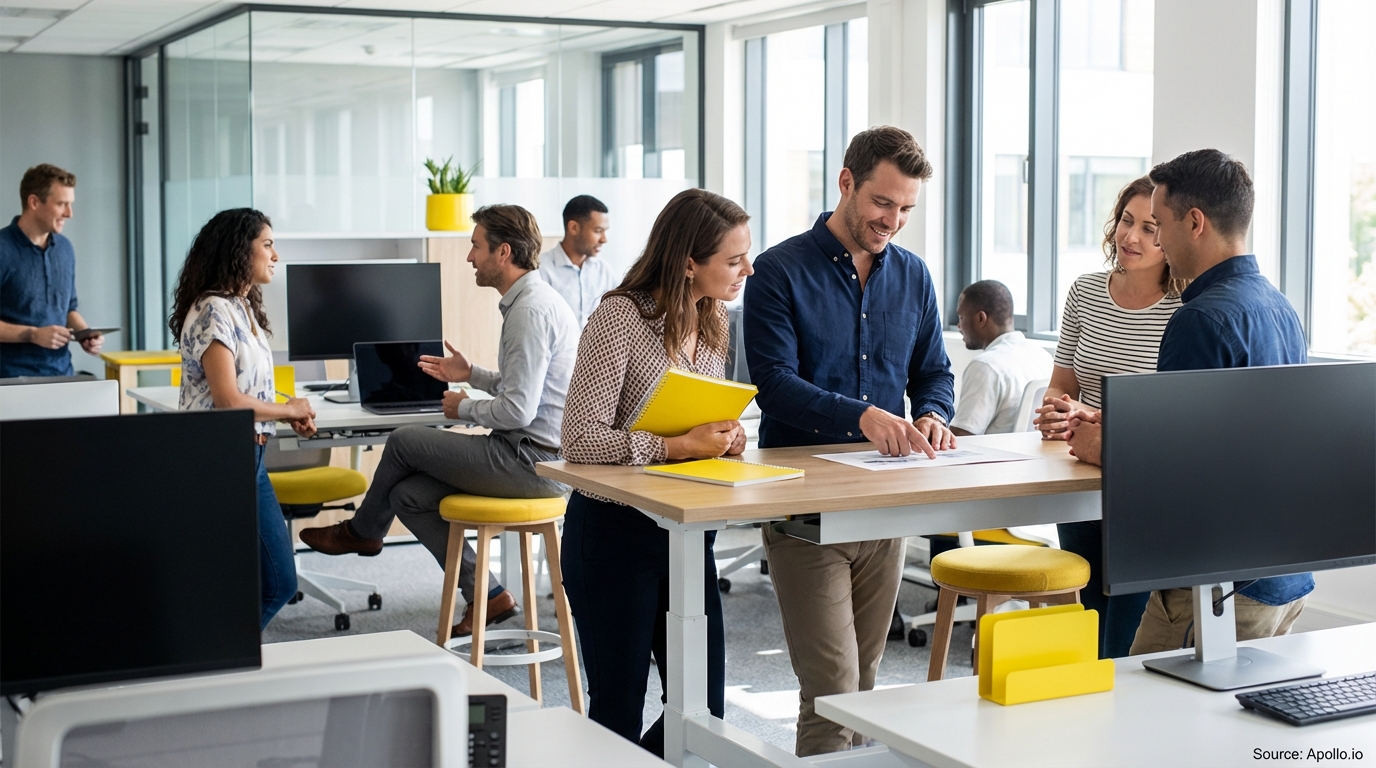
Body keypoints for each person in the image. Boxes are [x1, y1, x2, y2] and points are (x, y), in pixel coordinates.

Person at [743, 126, 955, 757]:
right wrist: (864, 415)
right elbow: (775, 386)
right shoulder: (778, 271)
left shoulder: (913, 275)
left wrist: (935, 414)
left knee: (864, 687)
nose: (893, 220)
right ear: (846, 183)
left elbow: (933, 373)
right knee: (832, 690)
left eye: (906, 209)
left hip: (885, 506)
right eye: (882, 203)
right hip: (805, 507)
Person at [1063, 149, 1313, 654]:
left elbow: (1170, 464)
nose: (1155, 240)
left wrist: (1095, 445)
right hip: (1281, 577)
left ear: (1194, 223)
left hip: (1219, 586)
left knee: (1137, 720)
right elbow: (1236, 437)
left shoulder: (1200, 319)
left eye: (1160, 224)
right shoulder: (1279, 306)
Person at [301, 204, 577, 639]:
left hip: (532, 464)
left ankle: (363, 531)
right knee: (408, 496)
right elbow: (527, 388)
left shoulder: (529, 312)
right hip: (530, 455)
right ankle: (488, 595)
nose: (469, 257)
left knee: (407, 440)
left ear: (503, 253)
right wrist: (473, 375)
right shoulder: (532, 302)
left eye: (475, 246)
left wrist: (462, 408)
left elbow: (518, 411)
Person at [561, 188, 751, 757]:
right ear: (689, 262)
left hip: (687, 536)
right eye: (734, 260)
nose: (747, 270)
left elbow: (698, 426)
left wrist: (725, 439)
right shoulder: (620, 317)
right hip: (615, 535)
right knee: (618, 706)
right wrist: (673, 446)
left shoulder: (713, 320)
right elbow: (579, 439)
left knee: (704, 707)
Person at [1031, 175, 1185, 659]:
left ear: (1174, 236)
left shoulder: (1185, 309)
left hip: (1138, 486)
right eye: (1125, 220)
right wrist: (1057, 409)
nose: (1131, 237)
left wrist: (1090, 414)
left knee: (1124, 636)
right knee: (1082, 620)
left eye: (1150, 227)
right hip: (1078, 477)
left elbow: (1169, 415)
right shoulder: (1085, 291)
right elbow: (1062, 383)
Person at [169, 208, 315, 630]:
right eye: (267, 245)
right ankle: (215, 660)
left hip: (245, 454)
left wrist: (286, 413)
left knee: (265, 581)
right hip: (217, 456)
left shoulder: (241, 306)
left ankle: (218, 660)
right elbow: (229, 400)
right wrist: (288, 410)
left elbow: (249, 389)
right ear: (238, 251)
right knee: (273, 582)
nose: (275, 255)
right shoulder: (213, 309)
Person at [0, 164, 105, 377]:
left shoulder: (65, 249)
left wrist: (86, 334)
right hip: (10, 380)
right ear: (34, 202)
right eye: (61, 204)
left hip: (61, 374)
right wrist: (32, 334)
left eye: (70, 204)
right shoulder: (3, 249)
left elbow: (68, 309)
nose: (69, 213)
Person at [949, 279, 1053, 437]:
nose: (959, 326)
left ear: (980, 319)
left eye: (961, 318)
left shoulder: (985, 366)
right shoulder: (1043, 357)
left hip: (992, 459)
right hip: (1034, 456)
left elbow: (962, 435)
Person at [538, 194, 615, 328]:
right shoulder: (542, 271)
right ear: (573, 227)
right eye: (598, 231)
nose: (604, 239)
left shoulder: (604, 271)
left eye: (605, 231)